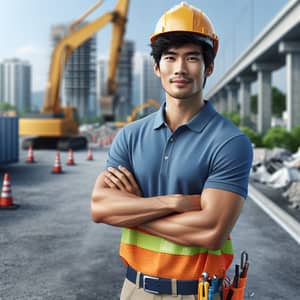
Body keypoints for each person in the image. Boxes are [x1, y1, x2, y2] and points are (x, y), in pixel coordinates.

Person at [91, 2, 253, 299]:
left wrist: (133, 209)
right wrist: (175, 201)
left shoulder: (230, 142)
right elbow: (101, 208)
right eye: (170, 57)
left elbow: (211, 231)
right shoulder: (130, 135)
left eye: (192, 57)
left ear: (209, 67)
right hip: (134, 289)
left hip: (198, 292)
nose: (180, 68)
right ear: (157, 67)